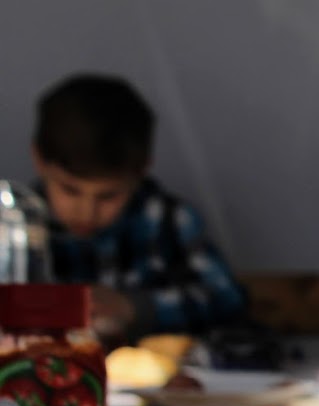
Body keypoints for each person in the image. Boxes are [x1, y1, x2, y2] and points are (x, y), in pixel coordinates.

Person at [31, 72, 248, 341]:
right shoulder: (16, 226)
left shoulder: (166, 220)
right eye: (70, 191)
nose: (87, 212)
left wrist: (132, 307)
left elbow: (227, 298)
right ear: (39, 161)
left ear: (142, 171)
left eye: (108, 196)